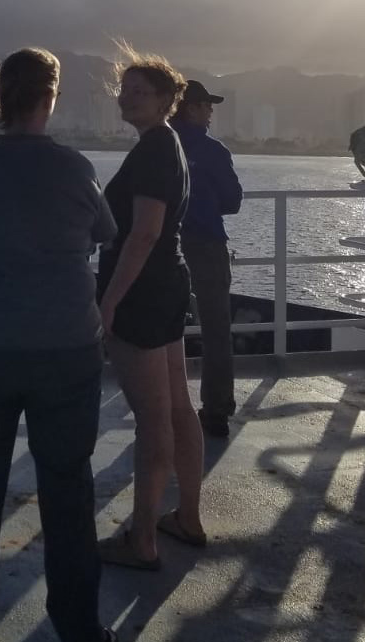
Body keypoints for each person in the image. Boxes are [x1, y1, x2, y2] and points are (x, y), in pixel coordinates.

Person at [0, 49, 119, 642]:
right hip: (66, 347)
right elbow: (104, 235)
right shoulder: (75, 167)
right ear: (51, 98)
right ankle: (80, 627)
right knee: (67, 487)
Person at [96, 45, 206, 570]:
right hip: (167, 284)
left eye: (142, 92)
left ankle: (141, 539)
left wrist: (109, 302)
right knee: (178, 408)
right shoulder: (169, 145)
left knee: (152, 419)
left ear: (167, 100)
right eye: (126, 90)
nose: (129, 98)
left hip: (143, 291)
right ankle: (187, 516)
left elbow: (143, 234)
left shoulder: (154, 151)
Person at [172, 79, 244, 439]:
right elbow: (233, 200)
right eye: (205, 105)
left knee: (164, 328)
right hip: (206, 242)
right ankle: (216, 411)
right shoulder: (212, 150)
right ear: (190, 108)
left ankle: (164, 407)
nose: (210, 111)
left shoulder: (156, 143)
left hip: (163, 243)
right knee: (216, 328)